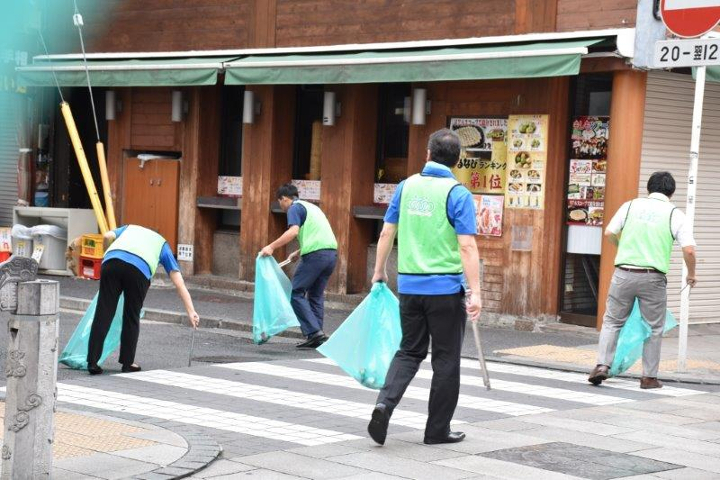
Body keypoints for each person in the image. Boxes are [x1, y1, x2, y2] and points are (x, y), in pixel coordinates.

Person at [367, 128, 482, 446]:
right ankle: (436, 431)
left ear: (428, 154)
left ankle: (384, 405)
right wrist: (476, 291)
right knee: (446, 359)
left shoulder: (406, 187)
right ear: (457, 160)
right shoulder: (457, 194)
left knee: (408, 351)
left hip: (409, 287)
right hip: (445, 290)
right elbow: (467, 246)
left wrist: (379, 272)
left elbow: (386, 232)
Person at [589, 171, 697, 389]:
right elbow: (689, 250)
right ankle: (648, 378)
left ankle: (602, 366)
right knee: (653, 328)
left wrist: (624, 249)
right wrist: (691, 274)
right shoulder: (674, 214)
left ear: (648, 188)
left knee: (612, 321)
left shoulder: (629, 206)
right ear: (671, 192)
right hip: (652, 278)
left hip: (623, 273)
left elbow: (609, 233)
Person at [87, 224, 200, 375]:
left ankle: (92, 362)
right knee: (131, 316)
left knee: (104, 312)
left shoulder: (129, 228)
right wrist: (191, 311)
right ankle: (127, 363)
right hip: (138, 271)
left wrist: (106, 253)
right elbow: (179, 282)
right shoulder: (162, 245)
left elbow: (107, 236)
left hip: (111, 263)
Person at [260, 184, 338, 349]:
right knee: (315, 295)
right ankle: (317, 335)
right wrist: (299, 252)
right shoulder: (312, 207)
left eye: (279, 202)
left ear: (284, 199)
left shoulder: (294, 208)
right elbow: (318, 235)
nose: (280, 206)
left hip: (315, 256)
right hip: (330, 255)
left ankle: (314, 331)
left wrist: (271, 247)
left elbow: (293, 231)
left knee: (295, 292)